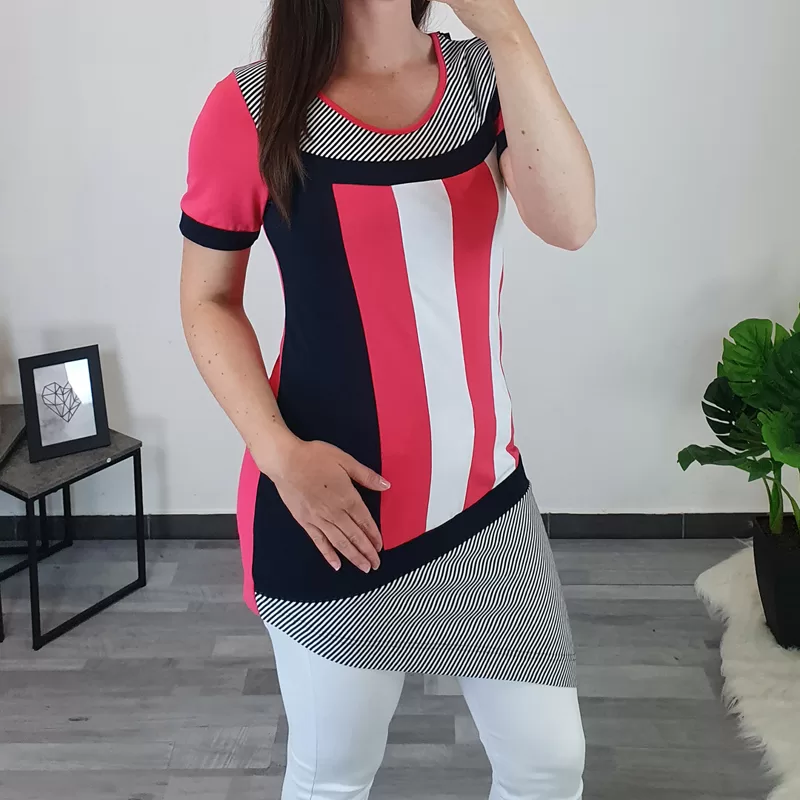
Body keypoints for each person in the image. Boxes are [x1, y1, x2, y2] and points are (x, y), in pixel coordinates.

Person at [179, 0, 595, 797]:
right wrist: (280, 456)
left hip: (484, 505)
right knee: (334, 775)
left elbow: (570, 222)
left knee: (549, 765)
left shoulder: (484, 79)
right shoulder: (251, 107)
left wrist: (507, 31)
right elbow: (207, 299)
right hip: (332, 516)